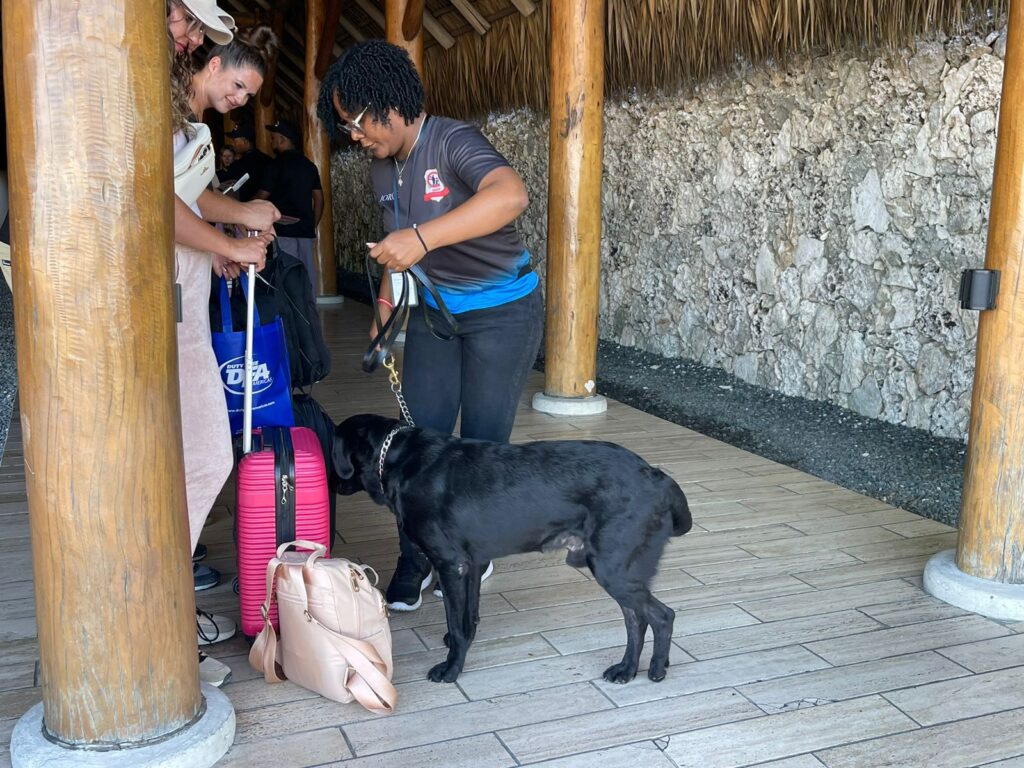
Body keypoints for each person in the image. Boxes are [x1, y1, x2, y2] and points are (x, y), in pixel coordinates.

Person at [317, 41, 544, 612]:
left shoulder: (452, 140)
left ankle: (471, 550)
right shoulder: (381, 168)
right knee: (416, 441)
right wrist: (383, 318)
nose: (353, 136)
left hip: (502, 313)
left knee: (482, 447)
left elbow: (510, 195)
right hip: (437, 314)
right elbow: (397, 254)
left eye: (356, 122)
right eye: (345, 127)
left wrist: (421, 238)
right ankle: (415, 556)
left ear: (388, 105)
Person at [168, 4, 281, 685]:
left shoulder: (191, 126)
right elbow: (157, 205)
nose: (241, 100)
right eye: (238, 86)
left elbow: (187, 201)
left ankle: (167, 609)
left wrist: (230, 233)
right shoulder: (160, 114)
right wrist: (233, 238)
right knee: (208, 455)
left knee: (191, 455)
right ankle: (166, 617)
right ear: (212, 62)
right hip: (163, 303)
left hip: (183, 295)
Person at [254, 119, 323, 294]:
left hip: (283, 229)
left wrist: (243, 208)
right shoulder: (309, 166)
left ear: (283, 139)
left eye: (273, 138)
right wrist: (312, 224)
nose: (271, 141)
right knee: (308, 271)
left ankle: (290, 308)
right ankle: (310, 306)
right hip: (305, 229)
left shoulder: (274, 166)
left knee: (287, 271)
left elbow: (262, 196)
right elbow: (319, 199)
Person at [224, 123, 272, 201]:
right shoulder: (267, 159)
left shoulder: (240, 165)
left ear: (245, 141)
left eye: (235, 141)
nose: (233, 144)